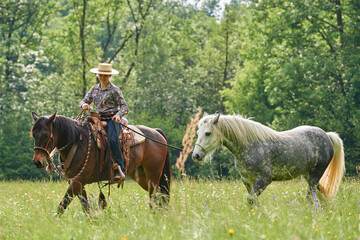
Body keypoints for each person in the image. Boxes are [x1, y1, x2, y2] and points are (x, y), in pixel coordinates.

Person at [79, 63, 128, 182]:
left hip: (112, 119)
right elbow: (83, 101)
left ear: (110, 76)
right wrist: (84, 105)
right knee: (83, 135)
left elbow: (124, 106)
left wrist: (118, 115)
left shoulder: (114, 90)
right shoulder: (94, 89)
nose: (103, 77)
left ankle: (120, 169)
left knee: (112, 140)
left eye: (105, 75)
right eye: (101, 74)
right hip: (97, 119)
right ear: (98, 75)